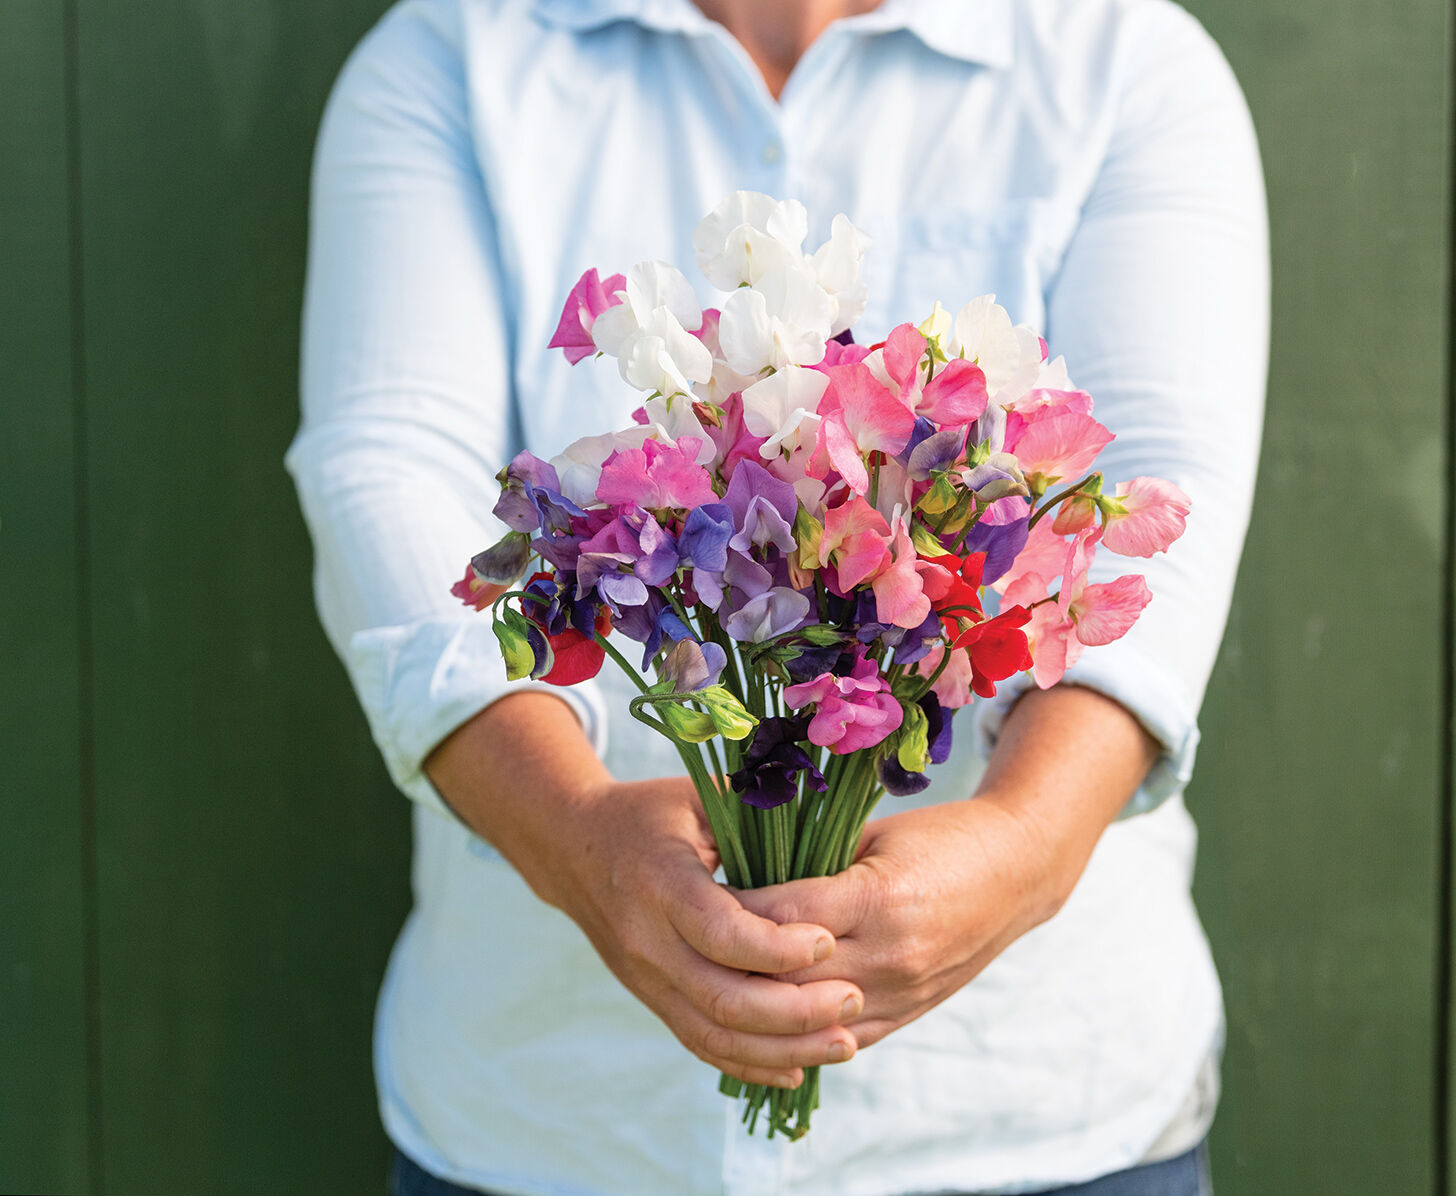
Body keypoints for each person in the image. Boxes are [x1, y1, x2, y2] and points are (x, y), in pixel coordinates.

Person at [287, 0, 1267, 1191]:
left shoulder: (1120, 58)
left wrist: (1025, 844)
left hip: (1034, 1116)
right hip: (563, 1122)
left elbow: (1167, 490)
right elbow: (383, 468)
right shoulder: (460, 51)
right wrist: (576, 835)